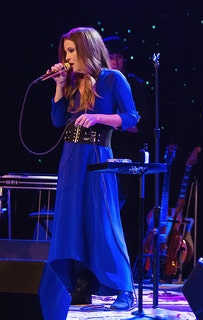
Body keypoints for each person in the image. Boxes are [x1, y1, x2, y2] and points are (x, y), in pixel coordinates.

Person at [46, 27, 141, 310]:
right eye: (65, 51)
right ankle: (74, 284)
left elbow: (131, 117)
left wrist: (99, 116)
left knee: (103, 220)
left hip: (98, 154)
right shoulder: (72, 80)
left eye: (72, 50)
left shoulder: (113, 78)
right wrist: (60, 85)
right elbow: (56, 120)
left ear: (87, 49)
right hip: (70, 156)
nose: (67, 56)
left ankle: (124, 288)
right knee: (69, 220)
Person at [103, 35, 153, 280]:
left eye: (117, 57)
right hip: (103, 153)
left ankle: (127, 269)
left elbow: (138, 124)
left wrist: (110, 119)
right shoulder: (98, 83)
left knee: (127, 215)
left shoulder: (134, 85)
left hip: (127, 157)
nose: (114, 61)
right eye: (110, 56)